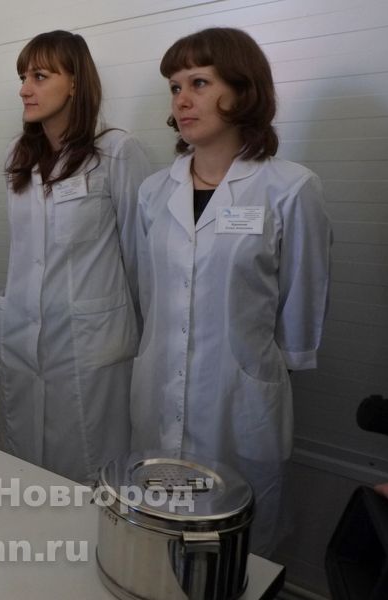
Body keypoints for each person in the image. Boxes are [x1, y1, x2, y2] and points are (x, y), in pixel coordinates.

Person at [131, 28, 332, 555]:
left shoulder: (290, 189)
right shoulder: (153, 192)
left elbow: (301, 305)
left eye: (199, 82)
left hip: (241, 396)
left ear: (243, 90)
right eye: (175, 87)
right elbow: (150, 295)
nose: (182, 100)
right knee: (161, 537)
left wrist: (259, 367)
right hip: (158, 388)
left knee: (238, 545)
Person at [0, 31, 152, 483]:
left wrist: (150, 348)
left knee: (91, 471)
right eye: (23, 78)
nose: (25, 89)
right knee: (28, 467)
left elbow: (142, 259)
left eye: (40, 76)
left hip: (90, 344)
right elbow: (23, 253)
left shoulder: (116, 152)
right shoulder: (18, 156)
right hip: (25, 338)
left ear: (75, 84)